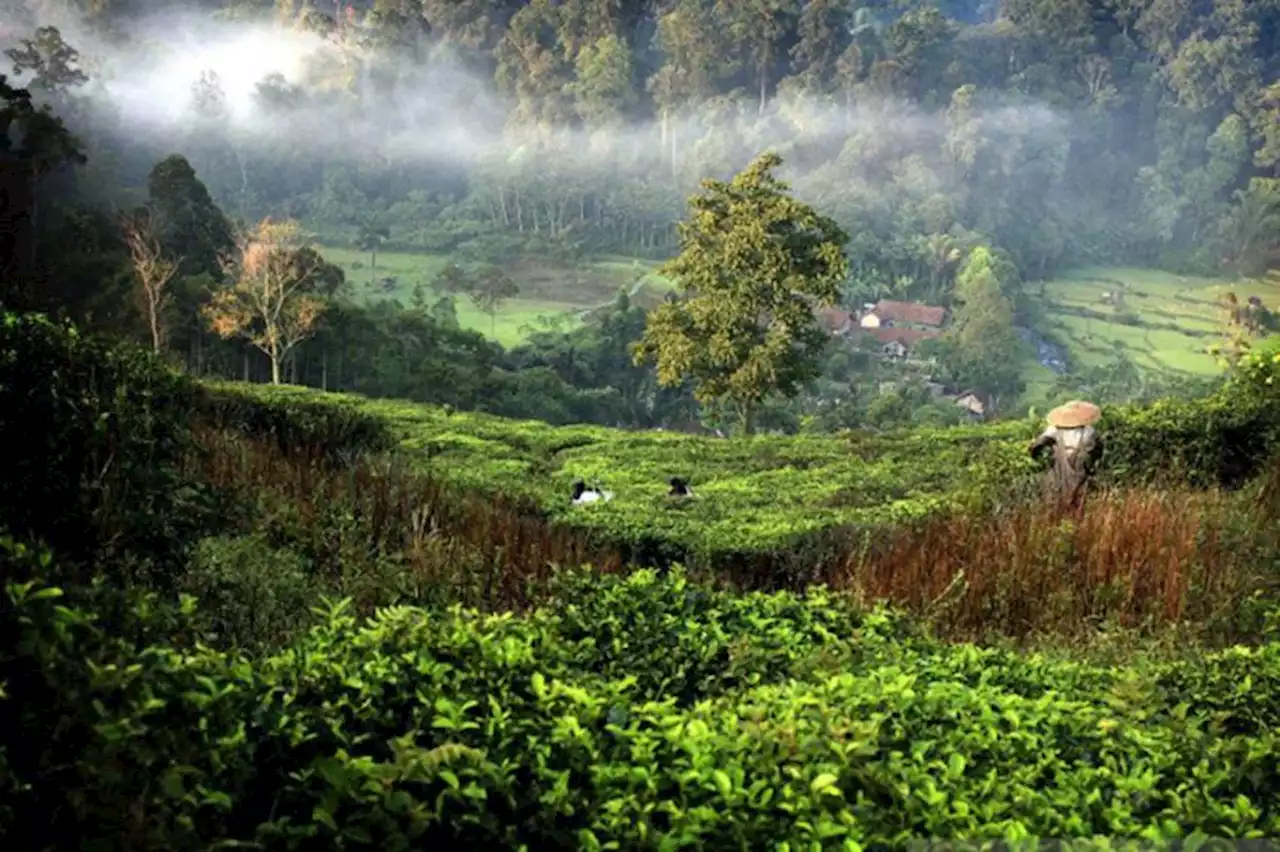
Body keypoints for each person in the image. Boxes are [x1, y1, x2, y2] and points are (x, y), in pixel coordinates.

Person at [1028, 400, 1103, 511]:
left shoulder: (1053, 429)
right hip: (1080, 461)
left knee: (1058, 485)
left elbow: (1039, 443)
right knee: (1080, 487)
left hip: (1060, 461)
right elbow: (1098, 447)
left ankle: (1059, 510)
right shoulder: (1088, 430)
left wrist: (1034, 455)